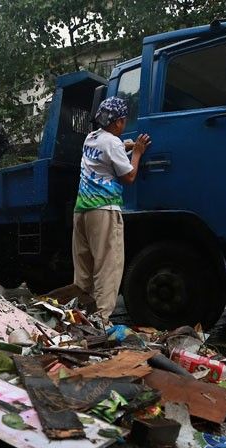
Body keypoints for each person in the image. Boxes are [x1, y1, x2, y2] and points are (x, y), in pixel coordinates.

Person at [72, 97, 150, 323]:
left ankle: (80, 316)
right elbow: (129, 176)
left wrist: (125, 144)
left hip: (81, 211)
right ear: (118, 122)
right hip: (103, 211)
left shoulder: (90, 138)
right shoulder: (112, 143)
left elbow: (108, 150)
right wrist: (137, 152)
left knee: (84, 270)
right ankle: (101, 322)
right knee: (107, 267)